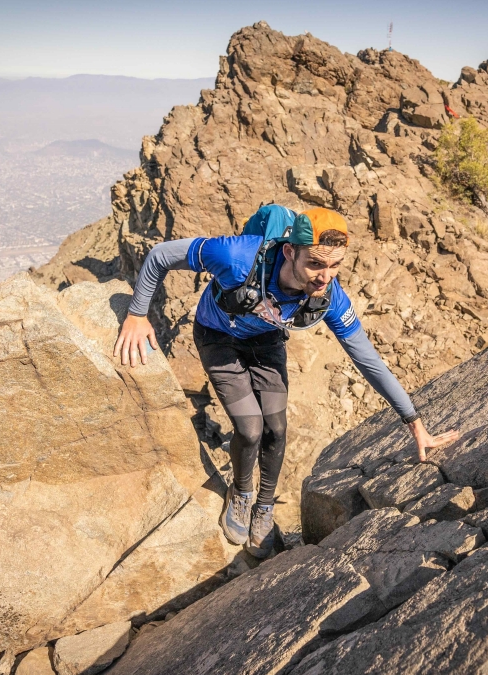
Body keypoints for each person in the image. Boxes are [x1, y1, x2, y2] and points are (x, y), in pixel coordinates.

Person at [114, 206, 459, 558]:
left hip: (265, 343)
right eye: (316, 264)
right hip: (217, 335)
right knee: (249, 430)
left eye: (335, 266)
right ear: (290, 251)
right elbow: (160, 256)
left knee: (276, 429)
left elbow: (366, 358)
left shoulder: (328, 298)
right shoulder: (237, 257)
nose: (325, 277)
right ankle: (242, 492)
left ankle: (264, 506)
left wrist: (414, 421)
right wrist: (137, 315)